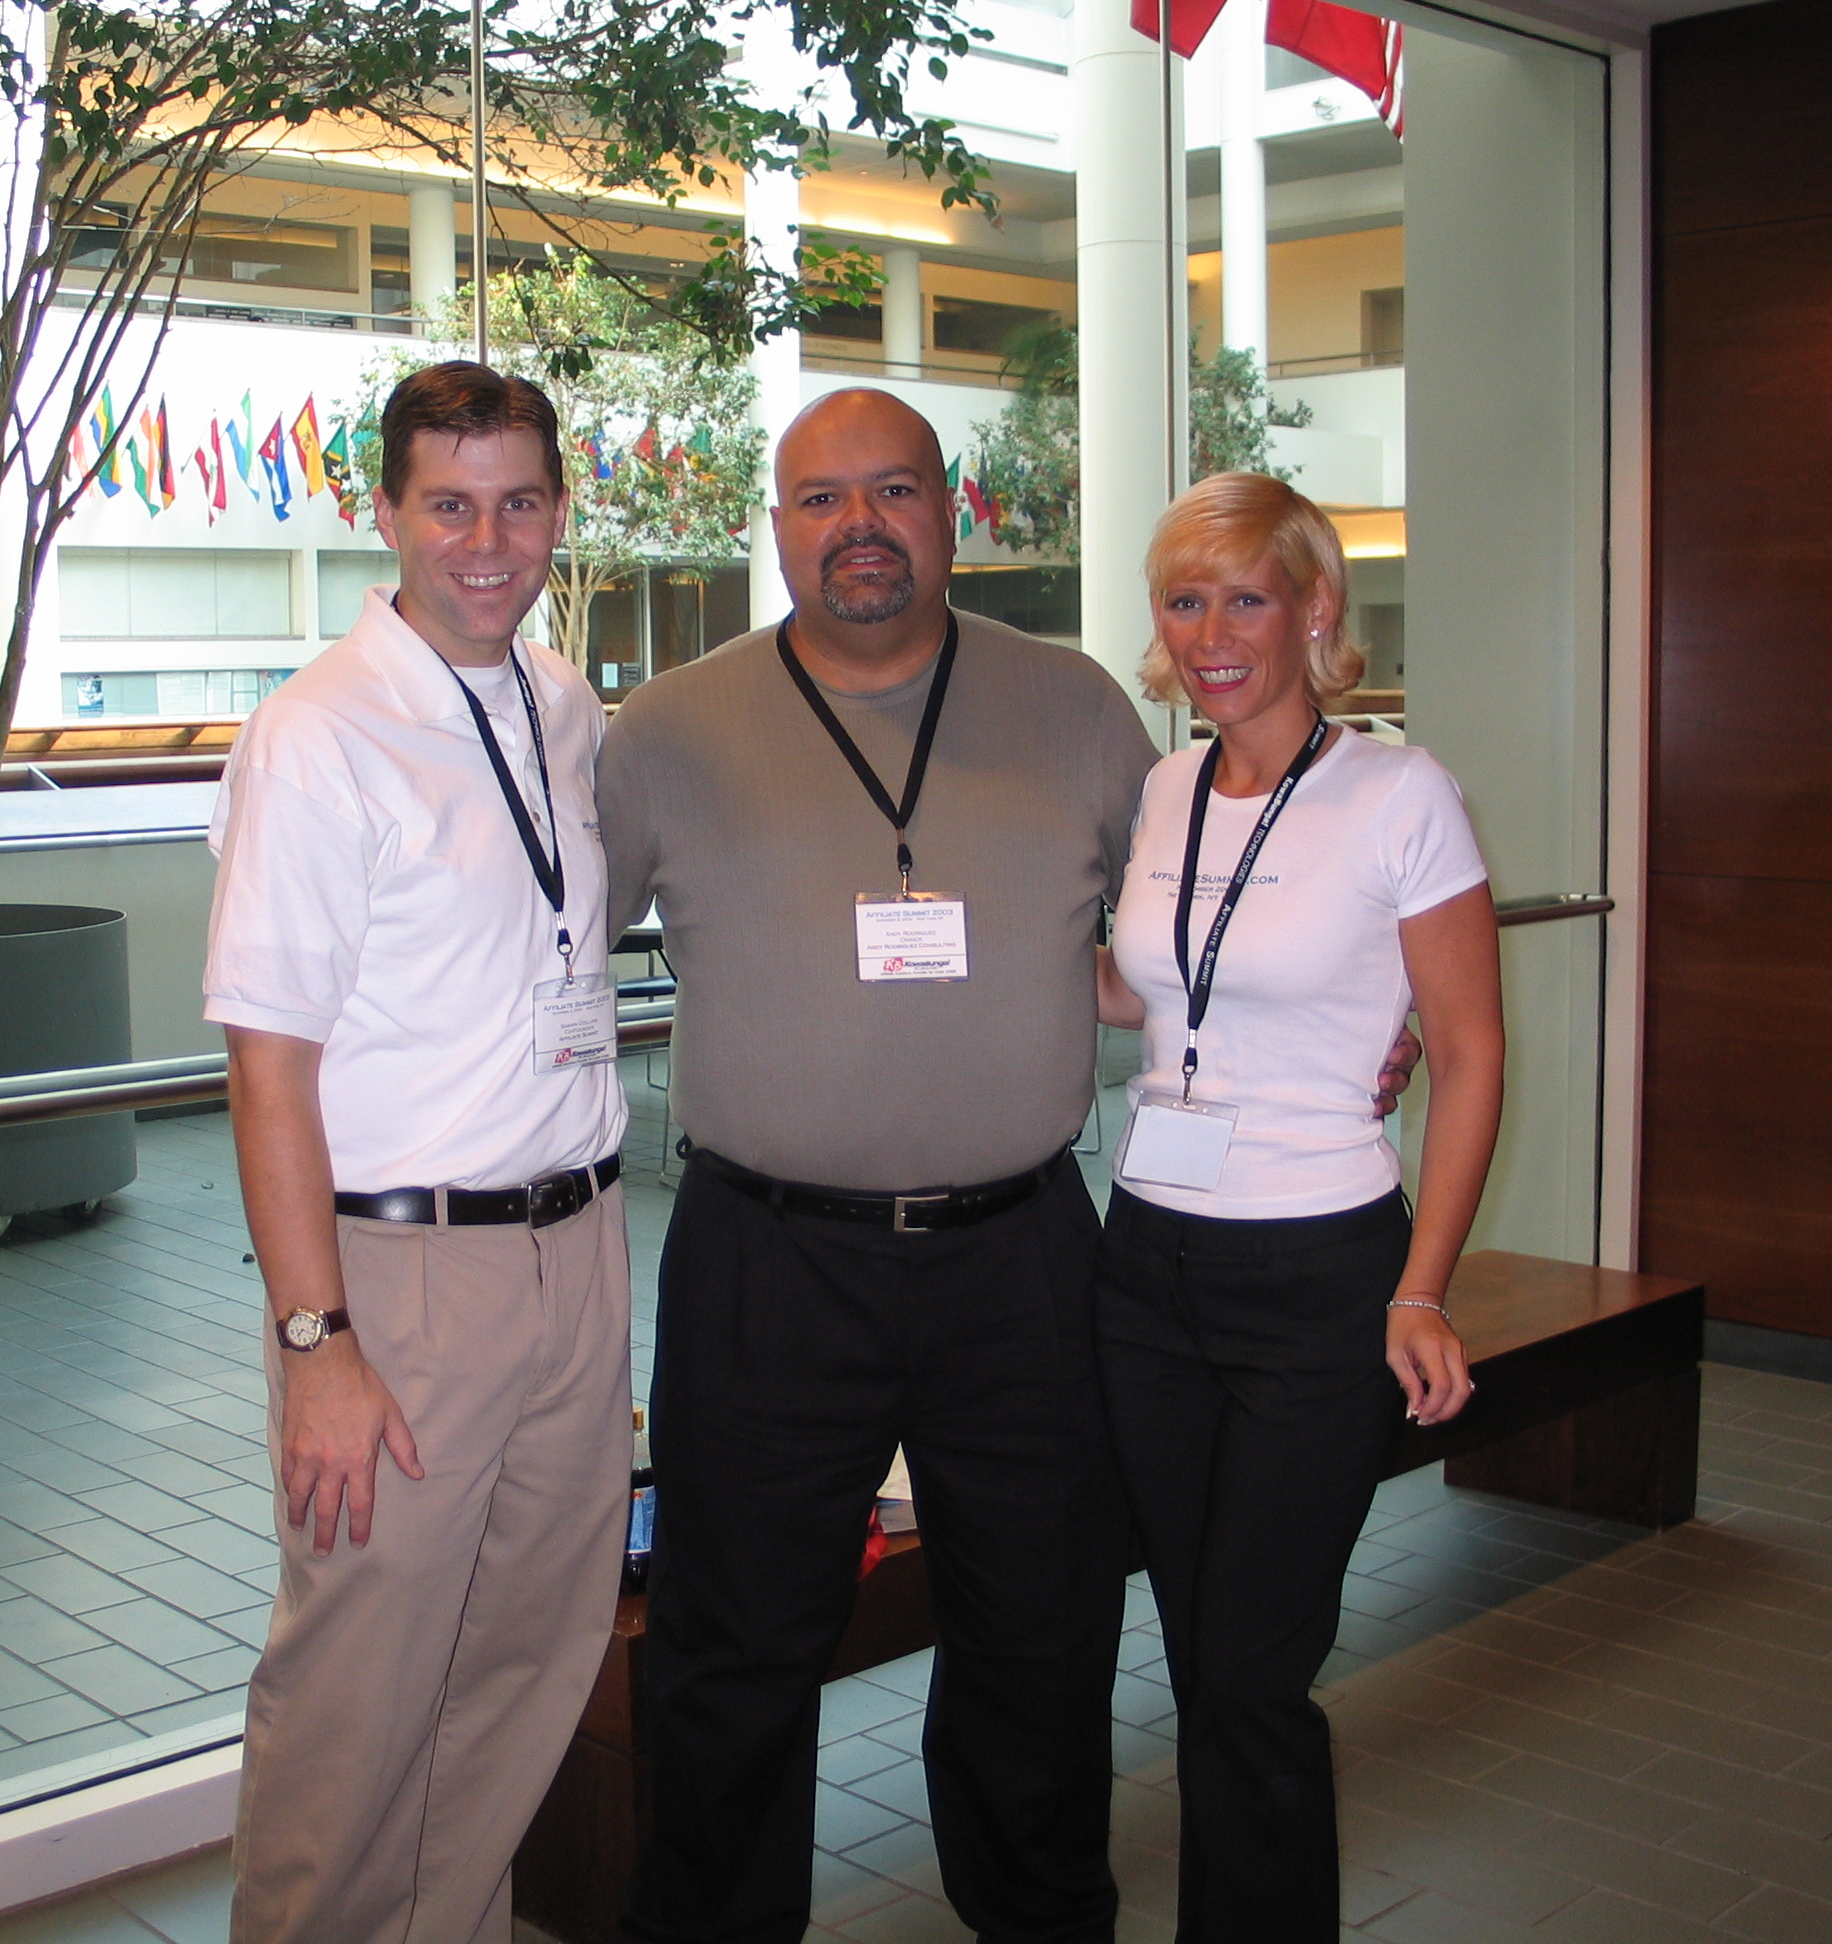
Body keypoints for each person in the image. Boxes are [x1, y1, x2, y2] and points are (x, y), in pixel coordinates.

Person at [597, 391, 1414, 1944]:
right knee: (732, 1652)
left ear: (947, 511)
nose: (858, 526)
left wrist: (1396, 1003)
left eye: (891, 490)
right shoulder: (668, 732)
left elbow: (1220, 906)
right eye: (820, 498)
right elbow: (541, 948)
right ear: (775, 527)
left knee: (1038, 1641)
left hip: (1025, 1262)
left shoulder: (1081, 711)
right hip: (767, 1262)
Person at [202, 362, 631, 1944]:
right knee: (360, 1690)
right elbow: (268, 1066)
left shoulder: (559, 703)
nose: (487, 539)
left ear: (556, 513)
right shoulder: (318, 739)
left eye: (519, 501)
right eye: (448, 504)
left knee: (524, 1663)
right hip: (398, 1273)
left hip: (575, 1247)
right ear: (383, 514)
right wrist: (317, 1341)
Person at [1092, 471, 1501, 1942]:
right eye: (1184, 601)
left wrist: (1420, 1286)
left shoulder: (1402, 796)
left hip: (1321, 1271)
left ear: (1315, 610)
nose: (1211, 634)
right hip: (1145, 1266)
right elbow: (1141, 988)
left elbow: (1467, 1052)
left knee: (1255, 1670)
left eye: (1245, 598)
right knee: (1204, 1661)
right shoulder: (1163, 788)